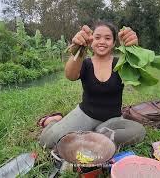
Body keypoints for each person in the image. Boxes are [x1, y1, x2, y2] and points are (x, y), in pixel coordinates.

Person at [39, 21, 146, 149]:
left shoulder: (121, 64)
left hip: (112, 121)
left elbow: (139, 75)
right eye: (97, 37)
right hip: (85, 115)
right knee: (47, 142)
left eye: (107, 38)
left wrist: (134, 49)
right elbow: (70, 75)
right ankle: (55, 120)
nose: (102, 41)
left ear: (113, 43)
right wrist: (79, 48)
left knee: (139, 131)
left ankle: (92, 135)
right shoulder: (85, 63)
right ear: (91, 41)